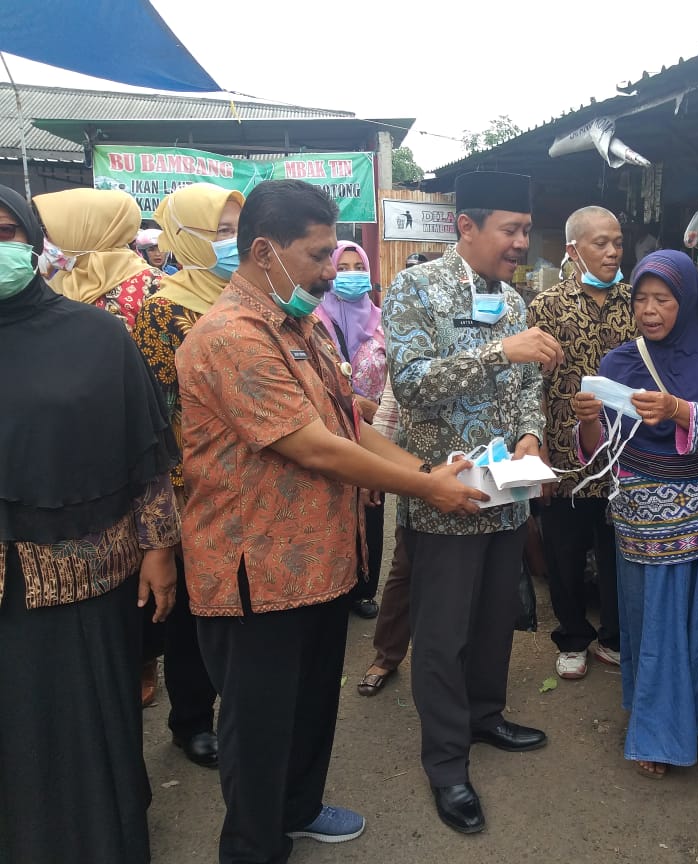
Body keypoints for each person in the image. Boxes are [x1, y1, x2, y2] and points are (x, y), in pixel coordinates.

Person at [177, 179, 486, 864]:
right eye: (318, 255)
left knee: (313, 704)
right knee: (257, 730)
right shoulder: (231, 336)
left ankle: (300, 808)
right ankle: (253, 847)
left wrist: (425, 470)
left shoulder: (303, 324)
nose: (332, 269)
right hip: (254, 572)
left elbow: (344, 419)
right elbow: (311, 446)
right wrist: (424, 488)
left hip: (319, 563)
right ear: (265, 251)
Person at [0, 183, 181, 864]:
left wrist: (159, 546)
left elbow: (148, 453)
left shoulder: (96, 335)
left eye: (5, 233)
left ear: (33, 239)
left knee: (84, 729)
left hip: (81, 577)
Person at [383, 170, 562, 835]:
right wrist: (498, 351)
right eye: (510, 230)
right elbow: (413, 384)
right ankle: (446, 760)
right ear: (467, 227)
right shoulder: (415, 288)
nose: (521, 242)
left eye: (524, 230)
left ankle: (486, 716)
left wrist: (530, 433)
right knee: (442, 633)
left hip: (507, 496)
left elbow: (525, 391)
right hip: (446, 495)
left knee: (494, 621)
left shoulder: (514, 300)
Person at [572, 249, 698, 780]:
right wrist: (591, 421)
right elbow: (598, 453)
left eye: (661, 299)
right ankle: (659, 732)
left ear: (685, 302)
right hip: (645, 522)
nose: (649, 310)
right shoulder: (618, 363)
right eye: (640, 299)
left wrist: (679, 411)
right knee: (657, 628)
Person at [132, 182, 246, 768]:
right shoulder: (164, 307)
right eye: (220, 232)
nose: (234, 243)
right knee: (192, 608)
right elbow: (156, 409)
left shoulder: (254, 294)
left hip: (248, 479)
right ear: (185, 239)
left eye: (236, 230)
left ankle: (234, 710)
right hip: (189, 482)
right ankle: (191, 720)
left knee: (236, 600)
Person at [528, 205, 636, 681]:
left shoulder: (638, 303)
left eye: (617, 242)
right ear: (573, 249)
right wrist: (541, 453)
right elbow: (529, 386)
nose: (613, 251)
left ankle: (613, 637)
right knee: (564, 554)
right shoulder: (546, 307)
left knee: (619, 551)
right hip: (566, 458)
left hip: (626, 455)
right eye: (601, 243)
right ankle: (572, 637)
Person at [357, 251, 426, 696]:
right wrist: (374, 474)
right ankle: (387, 656)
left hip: (480, 470)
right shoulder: (407, 338)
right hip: (416, 473)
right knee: (406, 566)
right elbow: (389, 407)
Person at [315, 240, 390, 619]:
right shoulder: (312, 319)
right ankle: (334, 586)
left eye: (355, 266)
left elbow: (397, 378)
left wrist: (378, 409)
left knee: (373, 504)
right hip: (326, 434)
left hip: (375, 432)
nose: (349, 275)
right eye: (340, 268)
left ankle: (364, 588)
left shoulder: (382, 320)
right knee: (333, 507)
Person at [34, 188, 163, 330]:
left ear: (86, 232)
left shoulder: (155, 284)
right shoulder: (63, 279)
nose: (47, 239)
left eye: (49, 231)